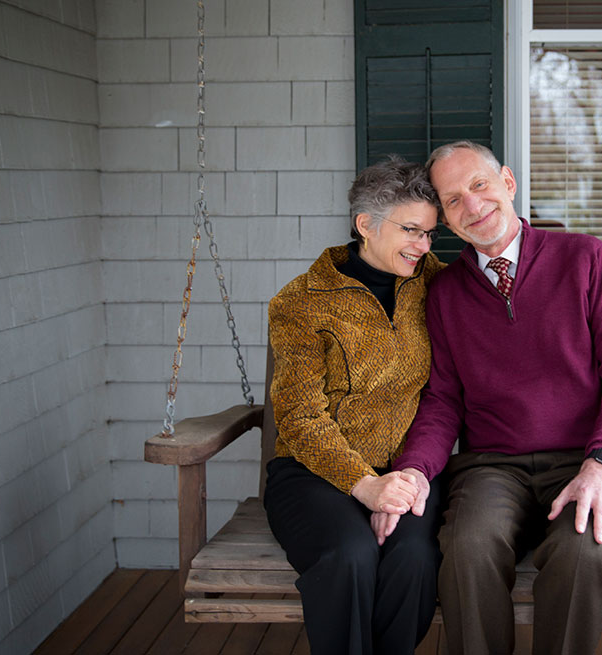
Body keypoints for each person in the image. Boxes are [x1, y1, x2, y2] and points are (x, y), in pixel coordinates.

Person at [381, 141, 602, 655]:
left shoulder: (584, 258)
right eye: (453, 199)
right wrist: (414, 469)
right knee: (465, 548)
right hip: (492, 467)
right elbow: (443, 399)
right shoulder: (445, 294)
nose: (472, 205)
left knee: (583, 553)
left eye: (479, 185)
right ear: (444, 219)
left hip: (585, 460)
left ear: (508, 182)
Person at [262, 156, 446, 655]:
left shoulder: (439, 285)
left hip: (409, 472)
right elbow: (299, 416)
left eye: (430, 234)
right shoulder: (302, 302)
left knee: (414, 558)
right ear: (366, 225)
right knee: (350, 554)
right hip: (313, 475)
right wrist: (364, 484)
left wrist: (401, 480)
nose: (423, 246)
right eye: (412, 230)